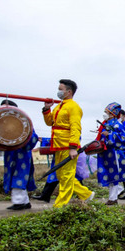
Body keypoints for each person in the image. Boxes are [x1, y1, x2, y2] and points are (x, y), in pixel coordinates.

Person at [42, 79, 94, 208]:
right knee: (61, 175)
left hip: (67, 146)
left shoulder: (74, 107)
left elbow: (76, 128)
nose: (58, 91)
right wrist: (46, 109)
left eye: (61, 89)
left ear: (69, 92)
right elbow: (50, 122)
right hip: (58, 146)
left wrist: (73, 147)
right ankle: (85, 194)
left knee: (66, 175)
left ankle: (60, 205)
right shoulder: (59, 106)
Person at [0, 99, 38, 210]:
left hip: (22, 155)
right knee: (13, 176)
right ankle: (24, 201)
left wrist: (23, 143)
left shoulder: (23, 122)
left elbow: (33, 137)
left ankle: (19, 203)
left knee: (20, 176)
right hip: (10, 155)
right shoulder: (0, 125)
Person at [96, 102, 125, 205]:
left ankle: (113, 198)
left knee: (114, 175)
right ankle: (113, 197)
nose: (104, 114)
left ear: (112, 114)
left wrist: (109, 134)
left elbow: (122, 138)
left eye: (106, 112)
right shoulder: (105, 124)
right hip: (105, 153)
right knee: (108, 175)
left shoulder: (117, 124)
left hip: (114, 153)